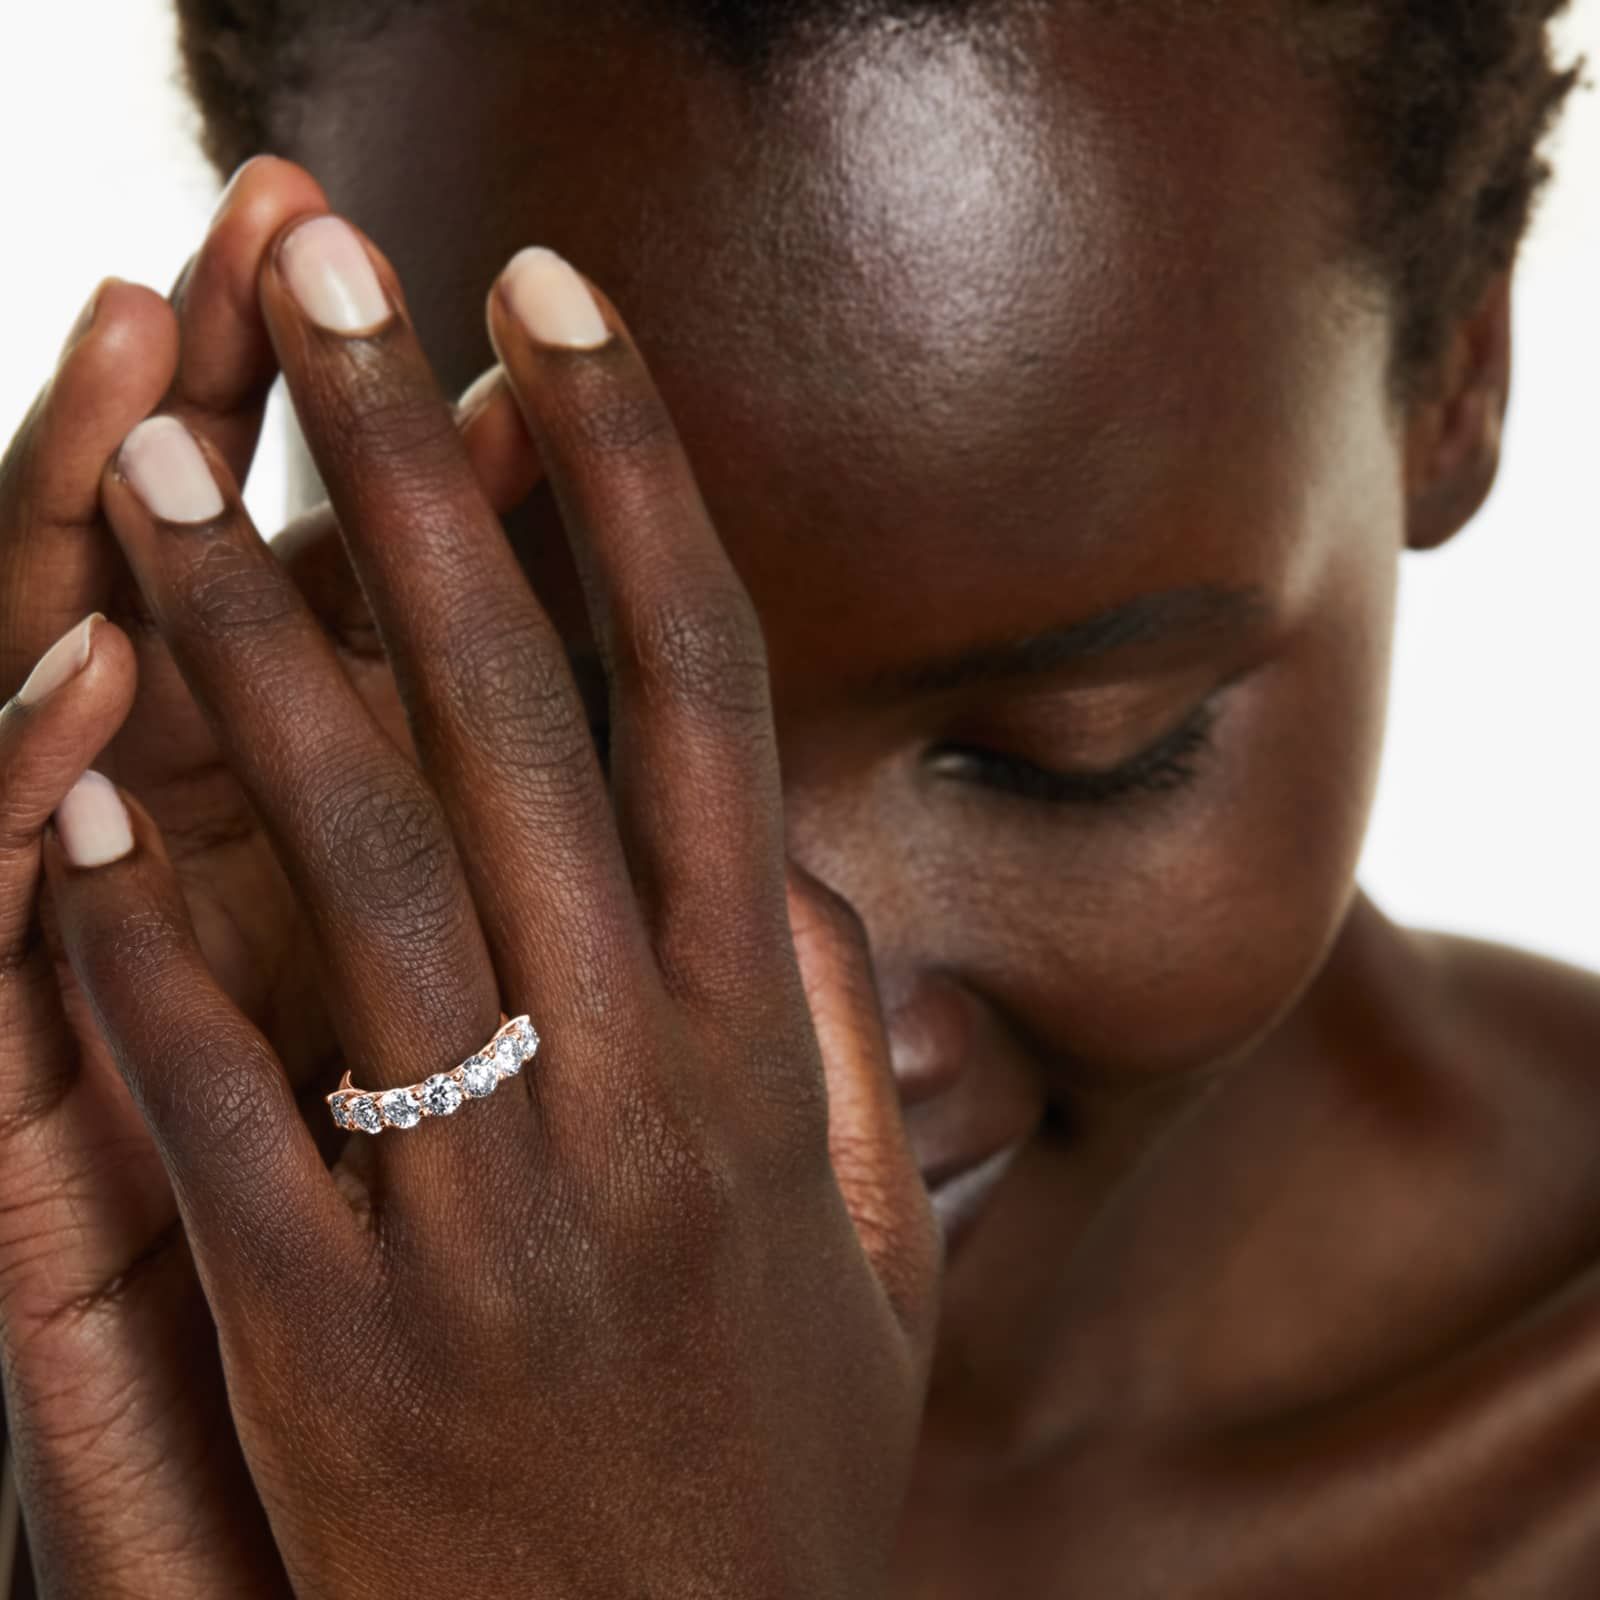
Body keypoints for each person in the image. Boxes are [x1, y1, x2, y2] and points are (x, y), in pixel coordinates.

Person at [0, 0, 1593, 1592]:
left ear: (1451, 375)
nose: (784, 1051)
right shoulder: (86, 1300)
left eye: (1071, 755)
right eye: (536, 732)